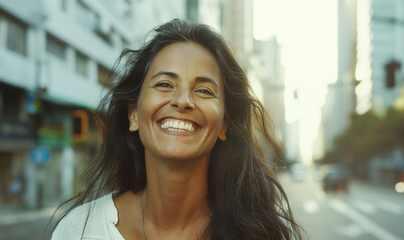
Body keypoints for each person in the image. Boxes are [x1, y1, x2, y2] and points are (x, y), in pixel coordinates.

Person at [51, 19, 302, 240]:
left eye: (204, 90)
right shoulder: (77, 231)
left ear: (224, 125)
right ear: (134, 115)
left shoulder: (264, 233)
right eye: (164, 84)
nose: (183, 100)